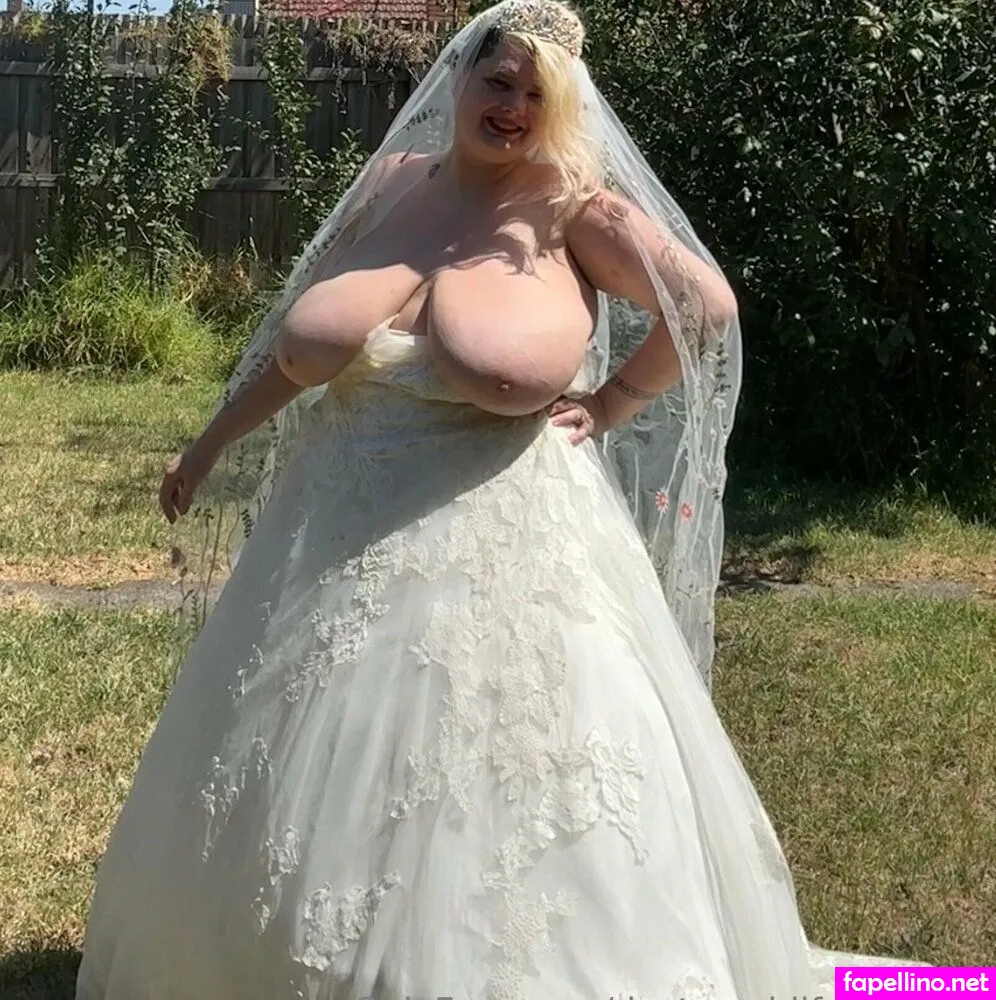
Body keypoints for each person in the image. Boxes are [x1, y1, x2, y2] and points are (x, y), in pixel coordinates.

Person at [75, 2, 931, 997]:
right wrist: (209, 440)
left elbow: (706, 307)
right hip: (328, 537)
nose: (514, 104)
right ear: (457, 78)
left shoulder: (572, 212)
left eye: (536, 92)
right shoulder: (392, 185)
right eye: (499, 80)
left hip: (504, 551)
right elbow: (293, 354)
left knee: (495, 787)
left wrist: (611, 402)